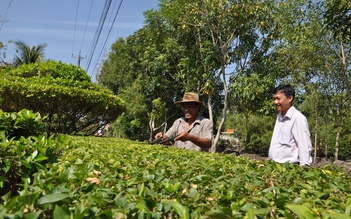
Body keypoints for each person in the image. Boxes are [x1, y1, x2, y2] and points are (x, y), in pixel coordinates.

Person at [268, 84, 312, 166]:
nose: (275, 102)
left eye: (278, 99)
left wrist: (305, 169)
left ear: (290, 98)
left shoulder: (298, 118)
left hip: (288, 168)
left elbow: (304, 146)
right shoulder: (279, 117)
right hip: (274, 166)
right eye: (274, 99)